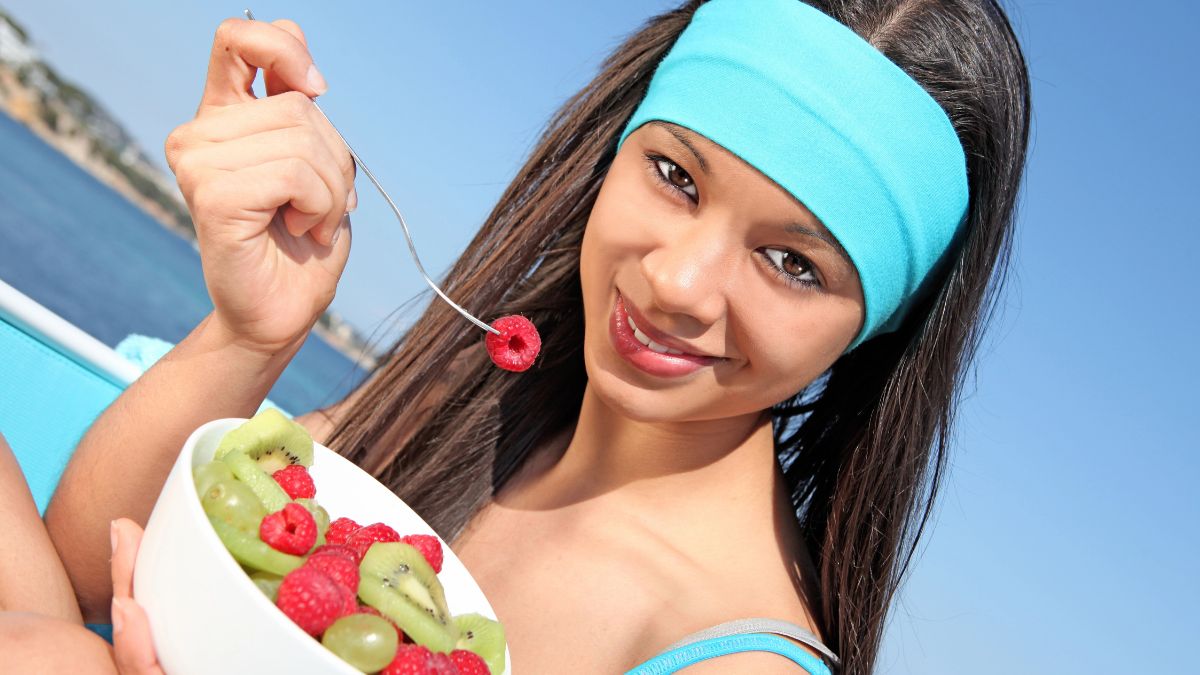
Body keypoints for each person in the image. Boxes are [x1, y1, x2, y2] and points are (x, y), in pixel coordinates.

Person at [39, 0, 1031, 672]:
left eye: (793, 263)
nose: (679, 283)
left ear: (883, 322)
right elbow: (83, 574)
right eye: (676, 177)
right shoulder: (470, 395)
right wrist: (249, 337)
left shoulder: (733, 658)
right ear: (617, 146)